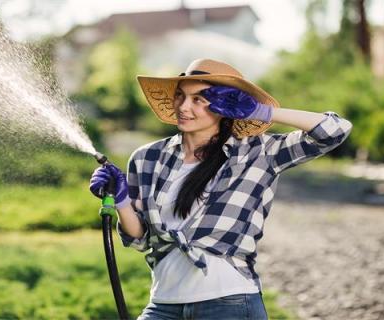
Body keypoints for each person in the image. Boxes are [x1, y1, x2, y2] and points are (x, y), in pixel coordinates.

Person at [89, 58, 353, 320]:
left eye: (198, 100)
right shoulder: (146, 157)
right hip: (164, 303)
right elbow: (141, 239)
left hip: (230, 302)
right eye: (180, 96)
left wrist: (263, 112)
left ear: (224, 106)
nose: (183, 106)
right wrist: (121, 200)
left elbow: (334, 132)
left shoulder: (257, 152)